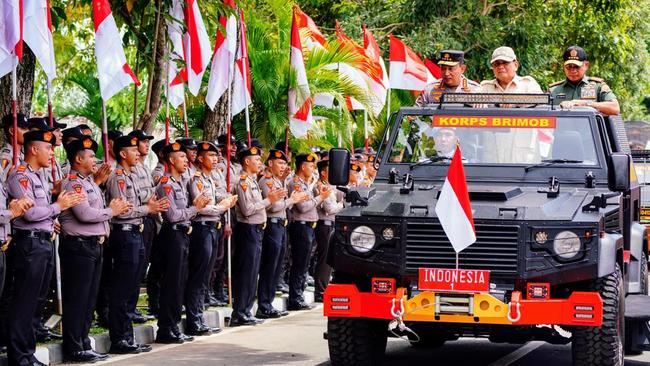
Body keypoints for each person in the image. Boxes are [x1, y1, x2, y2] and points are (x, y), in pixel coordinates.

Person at [6, 129, 84, 366]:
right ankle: (19, 355)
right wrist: (57, 207)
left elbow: (42, 212)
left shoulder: (39, 176)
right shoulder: (20, 176)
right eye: (48, 148)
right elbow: (29, 214)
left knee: (35, 303)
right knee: (24, 301)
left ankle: (28, 353)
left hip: (43, 242)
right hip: (29, 243)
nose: (52, 153)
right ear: (33, 149)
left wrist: (52, 216)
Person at [58, 137, 131, 363]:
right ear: (78, 159)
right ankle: (73, 347)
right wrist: (112, 211)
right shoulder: (74, 183)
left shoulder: (90, 182)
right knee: (77, 300)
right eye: (90, 156)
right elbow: (85, 214)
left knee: (89, 300)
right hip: (78, 247)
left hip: (93, 246)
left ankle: (83, 343)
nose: (95, 160)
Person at [105, 135, 168, 354]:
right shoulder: (117, 177)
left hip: (136, 233)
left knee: (132, 289)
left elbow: (143, 201)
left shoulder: (134, 174)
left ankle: (127, 336)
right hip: (124, 234)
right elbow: (122, 211)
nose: (138, 154)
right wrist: (147, 209)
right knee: (122, 289)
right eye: (133, 151)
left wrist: (146, 207)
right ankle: (119, 339)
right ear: (122, 154)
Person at [155, 142, 210, 343]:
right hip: (172, 236)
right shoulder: (166, 184)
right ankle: (166, 329)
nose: (187, 160)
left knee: (179, 283)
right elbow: (172, 215)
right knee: (171, 283)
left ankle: (174, 327)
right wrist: (195, 208)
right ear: (171, 160)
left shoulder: (181, 182)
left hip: (183, 235)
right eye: (182, 157)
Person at [185, 141, 236, 335]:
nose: (215, 160)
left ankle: (199, 316)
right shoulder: (196, 179)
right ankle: (194, 319)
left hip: (214, 227)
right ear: (200, 158)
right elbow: (202, 208)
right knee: (198, 274)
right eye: (211, 156)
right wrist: (222, 207)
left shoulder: (209, 179)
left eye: (216, 156)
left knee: (206, 273)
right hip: (202, 227)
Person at [230, 147, 285, 326]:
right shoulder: (243, 181)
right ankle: (240, 312)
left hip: (257, 230)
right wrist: (269, 200)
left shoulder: (252, 181)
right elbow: (247, 210)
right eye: (256, 160)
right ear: (246, 162)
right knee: (246, 271)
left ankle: (246, 309)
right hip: (247, 229)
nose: (260, 163)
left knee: (253, 272)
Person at [256, 149, 307, 319]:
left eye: (285, 163)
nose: (283, 166)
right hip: (272, 224)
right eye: (280, 163)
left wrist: (289, 200)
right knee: (269, 266)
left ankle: (268, 303)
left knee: (277, 265)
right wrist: (292, 200)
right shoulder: (267, 181)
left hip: (281, 225)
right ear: (270, 163)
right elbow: (273, 206)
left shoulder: (279, 182)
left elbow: (284, 205)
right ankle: (264, 304)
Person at [287, 153, 330, 311]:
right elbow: (303, 207)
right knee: (299, 263)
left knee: (304, 263)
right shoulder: (296, 183)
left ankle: (298, 294)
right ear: (302, 167)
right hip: (301, 225)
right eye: (311, 166)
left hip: (309, 226)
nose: (313, 169)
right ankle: (295, 297)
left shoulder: (306, 184)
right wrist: (321, 198)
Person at [127, 130, 157, 324]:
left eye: (147, 142)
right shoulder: (130, 169)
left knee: (142, 265)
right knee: (133, 269)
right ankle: (129, 308)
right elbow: (138, 197)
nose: (146, 145)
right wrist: (149, 202)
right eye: (142, 142)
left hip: (148, 218)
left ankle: (134, 306)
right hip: (137, 217)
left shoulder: (145, 167)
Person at [549, 46, 620, 116]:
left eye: (577, 66)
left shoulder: (598, 86)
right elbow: (540, 112)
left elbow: (615, 108)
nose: (573, 70)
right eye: (569, 66)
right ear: (563, 66)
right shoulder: (553, 90)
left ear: (586, 65)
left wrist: (586, 103)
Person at [313, 160, 344, 302]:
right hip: (324, 224)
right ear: (323, 173)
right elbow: (330, 209)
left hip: (330, 223)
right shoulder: (321, 186)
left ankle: (323, 287)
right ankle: (320, 290)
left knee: (329, 259)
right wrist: (342, 204)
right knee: (324, 258)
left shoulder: (329, 186)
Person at [416, 50, 480, 106]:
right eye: (443, 68)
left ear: (462, 69)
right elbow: (414, 114)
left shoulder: (475, 90)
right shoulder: (430, 90)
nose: (446, 73)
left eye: (451, 69)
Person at [0, 113, 30, 182]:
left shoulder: (22, 156)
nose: (28, 132)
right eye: (23, 128)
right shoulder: (6, 157)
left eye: (28, 129)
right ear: (12, 130)